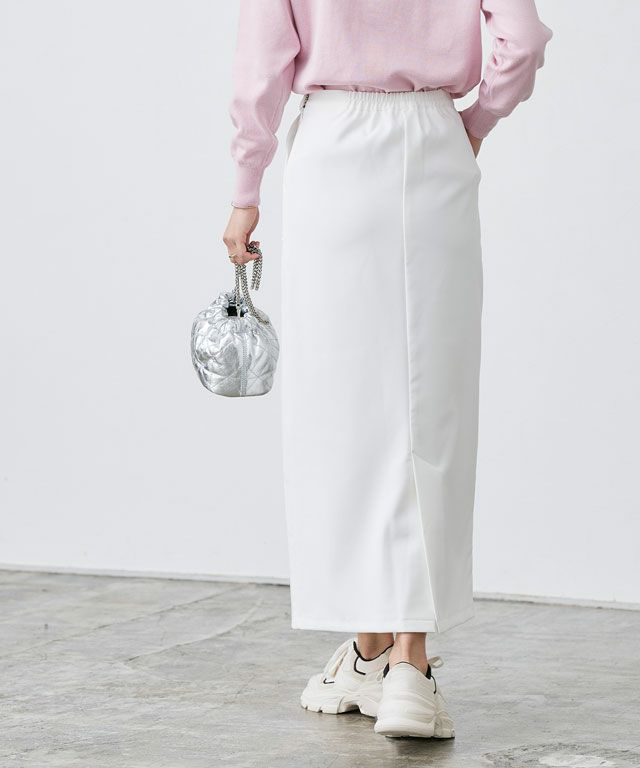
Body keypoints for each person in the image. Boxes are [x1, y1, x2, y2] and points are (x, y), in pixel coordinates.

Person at [223, 0, 551, 739]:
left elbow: (260, 68)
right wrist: (476, 120)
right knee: (427, 399)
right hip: (434, 138)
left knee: (343, 407)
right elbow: (523, 39)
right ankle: (390, 657)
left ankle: (392, 655)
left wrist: (245, 190)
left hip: (334, 144)